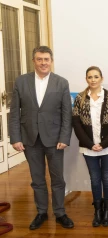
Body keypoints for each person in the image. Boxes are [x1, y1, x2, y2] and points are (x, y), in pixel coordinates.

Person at [9, 45, 74, 230]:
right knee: (37, 179)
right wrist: (15, 137)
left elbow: (66, 114)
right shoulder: (21, 82)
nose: (43, 62)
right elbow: (14, 112)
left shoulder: (61, 83)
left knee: (57, 179)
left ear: (51, 61)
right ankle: (41, 212)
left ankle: (60, 213)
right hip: (30, 139)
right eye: (40, 59)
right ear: (34, 61)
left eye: (46, 59)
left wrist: (65, 137)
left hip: (55, 140)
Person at [72, 66, 108, 227]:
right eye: (89, 77)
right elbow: (76, 124)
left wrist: (104, 143)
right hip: (88, 147)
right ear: (86, 79)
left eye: (96, 77)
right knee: (95, 179)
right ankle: (97, 211)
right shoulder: (79, 98)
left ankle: (107, 210)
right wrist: (90, 144)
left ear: (101, 78)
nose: (93, 80)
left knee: (106, 178)